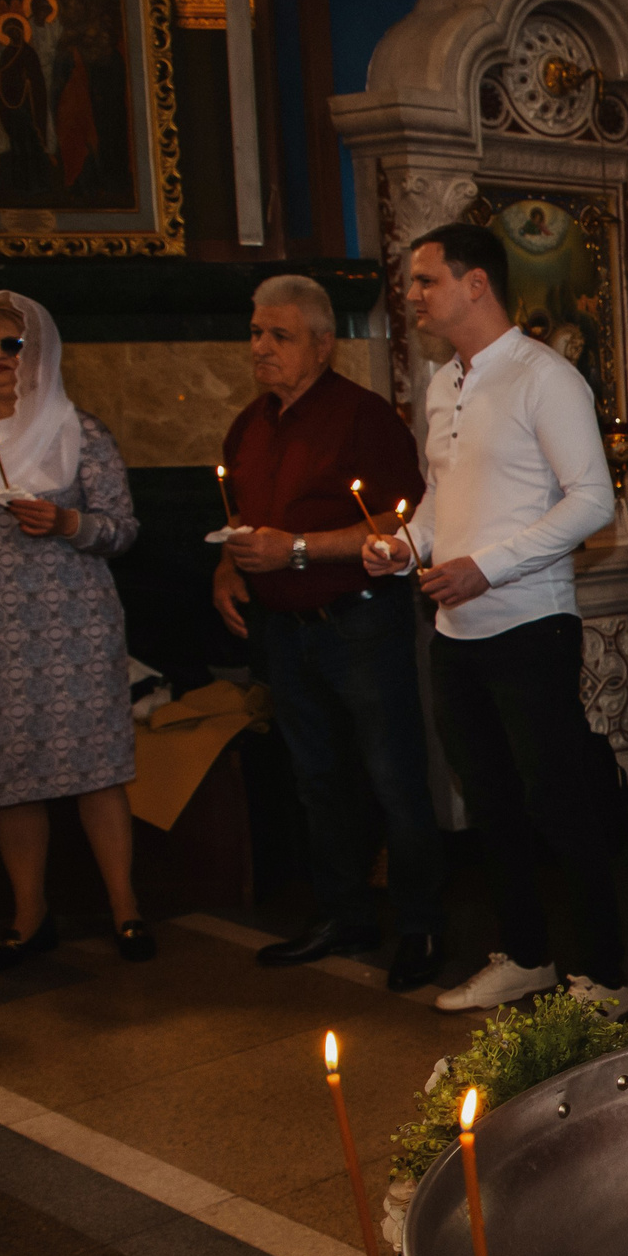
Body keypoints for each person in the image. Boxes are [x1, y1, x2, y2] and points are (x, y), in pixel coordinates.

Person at [361, 224, 627, 1016]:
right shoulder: (446, 382)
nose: (411, 295)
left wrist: (491, 565)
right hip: (455, 634)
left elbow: (592, 500)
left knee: (560, 804)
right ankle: (526, 955)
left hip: (530, 626)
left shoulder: (545, 378)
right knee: (488, 801)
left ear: (477, 284)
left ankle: (606, 974)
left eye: (424, 280)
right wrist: (407, 547)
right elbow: (445, 495)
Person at [0, 292, 155, 968]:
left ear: (36, 350)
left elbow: (122, 528)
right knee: (7, 775)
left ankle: (126, 906)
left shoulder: (80, 430)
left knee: (96, 769)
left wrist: (69, 524)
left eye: (9, 345)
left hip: (73, 625)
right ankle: (29, 911)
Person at [214, 274, 443, 989]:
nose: (261, 347)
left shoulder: (363, 418)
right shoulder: (251, 423)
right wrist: (229, 566)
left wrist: (299, 549)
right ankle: (344, 911)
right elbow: (241, 510)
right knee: (316, 779)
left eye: (279, 335)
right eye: (255, 332)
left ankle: (421, 926)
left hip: (358, 619)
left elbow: (399, 524)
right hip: (282, 627)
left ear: (322, 342)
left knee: (392, 776)